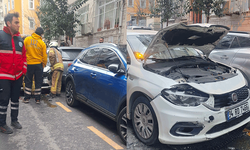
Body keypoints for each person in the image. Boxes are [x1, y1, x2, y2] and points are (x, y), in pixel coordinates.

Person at [0, 12, 27, 134]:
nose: (19, 25)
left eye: (19, 22)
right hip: (4, 75)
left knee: (15, 99)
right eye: (16, 22)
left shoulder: (20, 39)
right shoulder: (1, 36)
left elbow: (24, 57)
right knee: (4, 100)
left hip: (17, 76)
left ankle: (14, 120)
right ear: (8, 23)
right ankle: (1, 124)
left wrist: (23, 69)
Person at [23, 27, 47, 104]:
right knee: (38, 81)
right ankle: (37, 99)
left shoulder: (27, 40)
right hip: (38, 65)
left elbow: (23, 51)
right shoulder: (42, 43)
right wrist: (43, 65)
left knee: (28, 81)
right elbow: (44, 56)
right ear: (41, 34)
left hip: (29, 64)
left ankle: (26, 98)